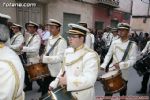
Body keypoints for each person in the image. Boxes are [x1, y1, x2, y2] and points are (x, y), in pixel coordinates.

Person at [49, 23, 100, 100]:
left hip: (82, 95)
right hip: (67, 93)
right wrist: (54, 83)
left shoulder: (90, 55)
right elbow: (63, 70)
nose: (69, 38)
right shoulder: (68, 51)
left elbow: (90, 80)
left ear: (82, 38)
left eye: (73, 37)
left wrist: (68, 81)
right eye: (69, 36)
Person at [100, 23, 138, 97]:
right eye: (119, 30)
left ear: (127, 32)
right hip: (112, 69)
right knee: (108, 92)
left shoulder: (132, 45)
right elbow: (109, 55)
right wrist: (104, 65)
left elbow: (133, 60)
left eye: (123, 30)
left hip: (124, 71)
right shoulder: (114, 42)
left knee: (122, 93)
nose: (120, 32)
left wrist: (121, 65)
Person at [0, 13, 25, 100]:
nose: (13, 29)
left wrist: (23, 48)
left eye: (15, 28)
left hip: (18, 54)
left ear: (18, 29)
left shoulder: (20, 36)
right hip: (13, 53)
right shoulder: (15, 35)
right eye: (13, 28)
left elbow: (18, 46)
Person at [40, 19, 67, 96]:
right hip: (47, 70)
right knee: (44, 92)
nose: (50, 30)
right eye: (50, 27)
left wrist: (45, 59)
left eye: (52, 27)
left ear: (58, 28)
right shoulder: (50, 38)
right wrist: (43, 55)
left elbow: (60, 58)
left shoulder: (62, 41)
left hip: (55, 72)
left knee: (53, 94)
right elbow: (46, 51)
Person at [20, 21, 42, 91]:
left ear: (35, 29)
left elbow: (35, 49)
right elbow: (28, 45)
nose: (28, 28)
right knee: (27, 74)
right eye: (28, 27)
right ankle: (29, 86)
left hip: (34, 58)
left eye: (30, 27)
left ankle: (42, 87)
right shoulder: (30, 36)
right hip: (29, 58)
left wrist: (24, 48)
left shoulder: (37, 37)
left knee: (36, 75)